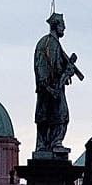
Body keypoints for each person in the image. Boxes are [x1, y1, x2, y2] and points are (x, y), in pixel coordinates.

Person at [34, 12, 82, 155]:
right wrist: (48, 86)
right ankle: (49, 143)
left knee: (58, 115)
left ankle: (53, 143)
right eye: (62, 25)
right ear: (56, 26)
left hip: (55, 87)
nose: (64, 28)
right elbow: (42, 66)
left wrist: (67, 73)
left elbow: (58, 66)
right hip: (49, 88)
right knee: (52, 116)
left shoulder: (54, 44)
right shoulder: (47, 43)